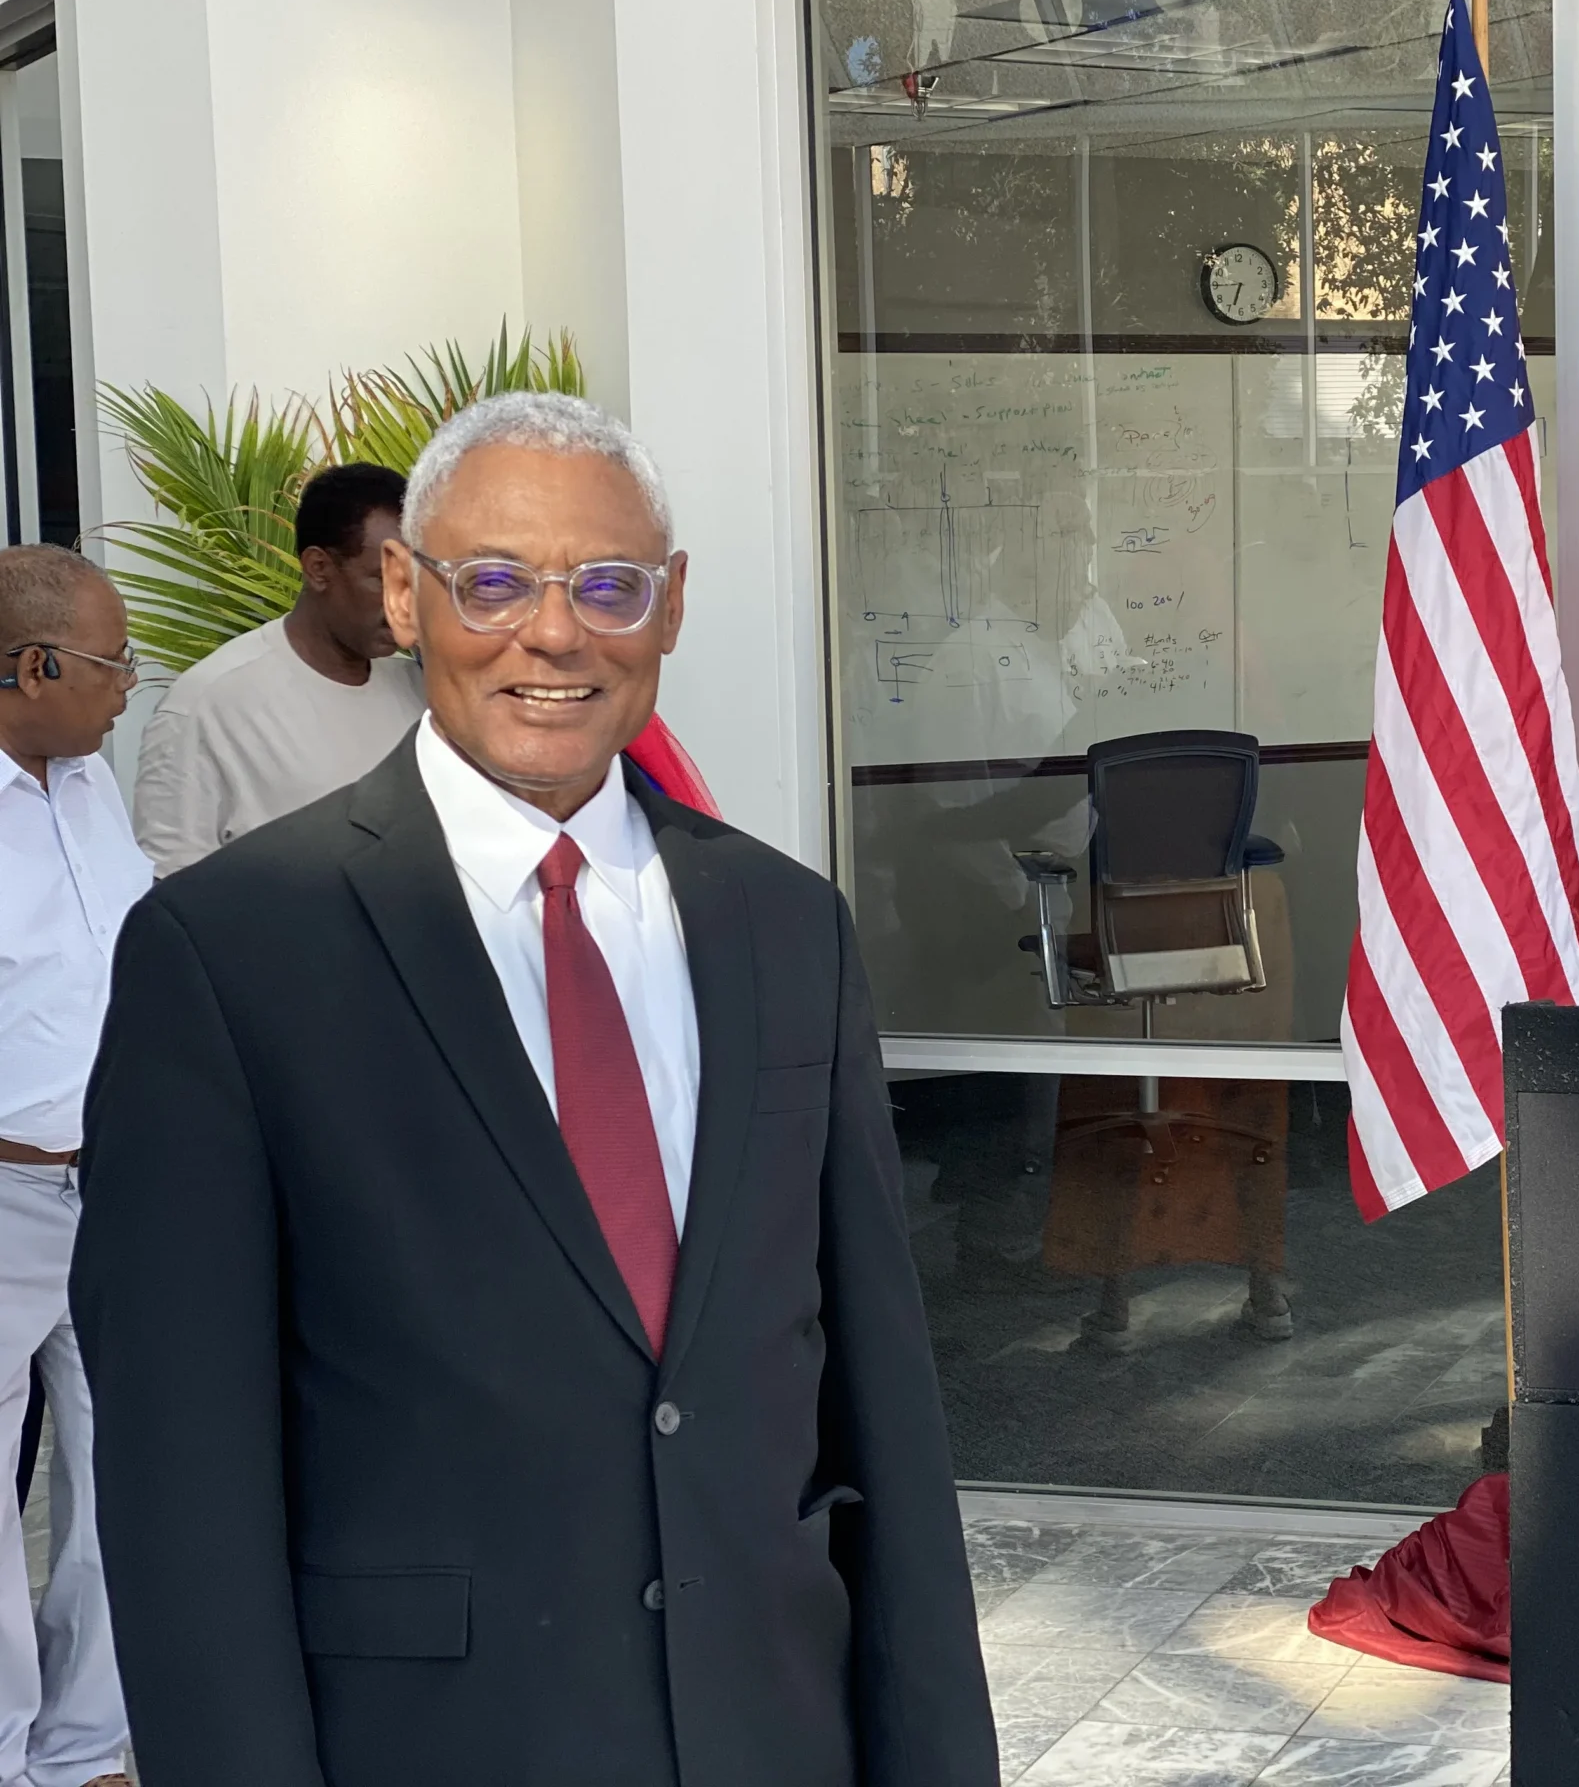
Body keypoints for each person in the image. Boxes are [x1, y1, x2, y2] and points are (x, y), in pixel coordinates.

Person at [74, 394, 997, 1787]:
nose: (553, 634)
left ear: (669, 607)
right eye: (493, 580)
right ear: (403, 590)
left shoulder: (784, 924)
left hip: (770, 1726)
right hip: (434, 1743)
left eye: (607, 586)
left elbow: (879, 1403)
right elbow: (181, 1487)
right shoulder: (232, 951)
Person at [0, 544, 143, 1787]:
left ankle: (88, 1748)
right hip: (3, 1193)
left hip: (124, 1187)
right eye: (112, 663)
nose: (128, 686)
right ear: (33, 665)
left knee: (127, 1466)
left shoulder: (89, 782)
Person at [131, 462, 424, 875]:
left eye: (415, 582)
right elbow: (170, 889)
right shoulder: (206, 705)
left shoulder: (417, 688)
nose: (404, 604)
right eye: (382, 580)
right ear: (319, 568)